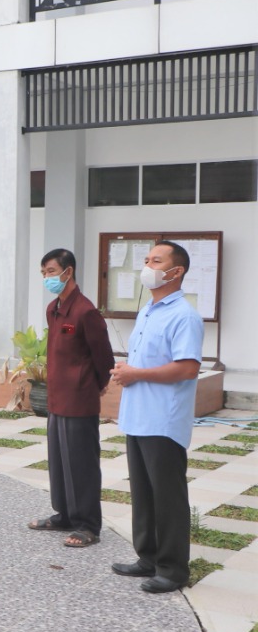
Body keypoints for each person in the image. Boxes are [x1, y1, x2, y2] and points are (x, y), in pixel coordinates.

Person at [110, 241, 204, 594]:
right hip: (138, 416)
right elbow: (148, 360)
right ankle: (148, 557)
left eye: (156, 261)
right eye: (147, 259)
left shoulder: (184, 315)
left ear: (176, 271)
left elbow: (187, 368)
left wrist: (136, 374)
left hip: (163, 420)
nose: (147, 266)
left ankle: (173, 569)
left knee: (167, 497)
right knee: (144, 494)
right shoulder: (148, 311)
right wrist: (128, 370)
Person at [27, 249, 115, 548]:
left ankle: (88, 526)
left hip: (79, 400)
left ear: (68, 271)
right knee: (59, 462)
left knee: (81, 464)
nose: (47, 277)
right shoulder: (54, 309)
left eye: (51, 271)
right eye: (43, 273)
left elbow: (104, 357)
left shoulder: (85, 311)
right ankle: (64, 515)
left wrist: (95, 385)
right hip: (57, 399)